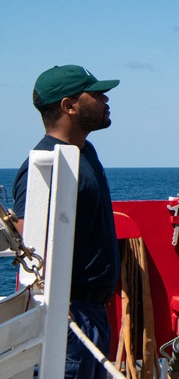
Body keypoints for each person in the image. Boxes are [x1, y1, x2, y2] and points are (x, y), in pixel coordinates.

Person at [13, 64, 121, 379]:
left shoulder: (84, 152)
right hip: (69, 317)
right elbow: (28, 239)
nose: (106, 100)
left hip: (93, 313)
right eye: (97, 94)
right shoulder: (44, 163)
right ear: (69, 106)